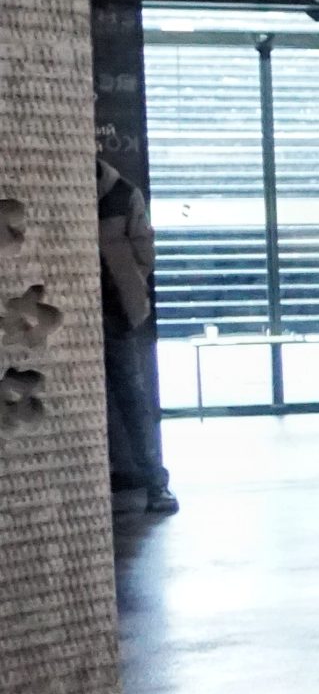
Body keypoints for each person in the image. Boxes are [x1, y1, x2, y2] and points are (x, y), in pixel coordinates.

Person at [98, 155, 177, 515]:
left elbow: (144, 250)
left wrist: (130, 284)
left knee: (132, 398)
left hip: (115, 312)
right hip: (76, 312)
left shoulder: (123, 193)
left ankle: (155, 481)